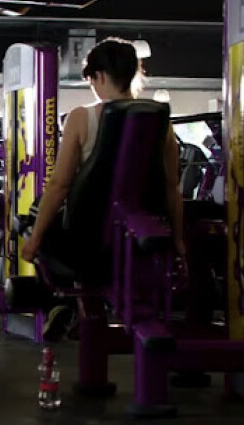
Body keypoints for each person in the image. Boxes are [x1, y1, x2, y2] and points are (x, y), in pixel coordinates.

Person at [19, 38, 183, 341]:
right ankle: (76, 308)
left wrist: (35, 239)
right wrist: (179, 241)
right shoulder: (162, 124)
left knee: (33, 215)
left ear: (101, 76)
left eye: (92, 80)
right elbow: (172, 188)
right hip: (140, 243)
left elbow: (59, 185)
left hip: (86, 245)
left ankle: (65, 302)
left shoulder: (82, 117)